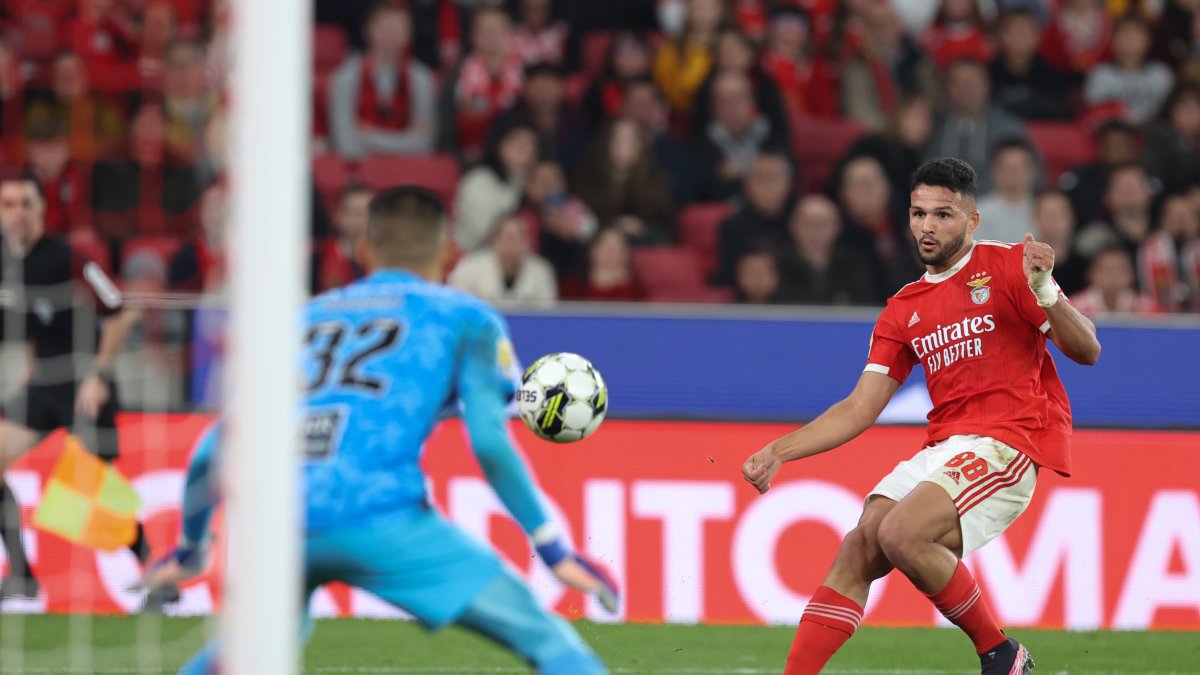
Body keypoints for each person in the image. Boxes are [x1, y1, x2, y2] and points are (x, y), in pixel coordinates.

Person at [140, 186, 617, 675]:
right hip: (380, 515)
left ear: (364, 250)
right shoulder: (466, 319)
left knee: (248, 652)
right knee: (549, 641)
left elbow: (210, 454)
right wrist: (553, 548)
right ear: (449, 252)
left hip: (280, 526)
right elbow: (490, 444)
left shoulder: (299, 320)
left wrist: (193, 550)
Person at [741, 157, 1101, 675]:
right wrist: (780, 451)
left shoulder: (1010, 266)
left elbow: (1087, 349)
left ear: (972, 221)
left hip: (1009, 441)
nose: (927, 227)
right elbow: (860, 407)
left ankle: (1001, 654)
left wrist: (1045, 290)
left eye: (943, 215)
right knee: (861, 542)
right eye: (918, 214)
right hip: (946, 447)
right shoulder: (902, 307)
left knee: (901, 533)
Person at [0, 177, 152, 601]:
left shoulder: (67, 256)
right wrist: (30, 370)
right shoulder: (7, 264)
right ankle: (22, 577)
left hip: (85, 381)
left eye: (24, 203)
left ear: (41, 211)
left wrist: (99, 374)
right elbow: (32, 322)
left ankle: (156, 570)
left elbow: (123, 311)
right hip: (44, 384)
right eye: (7, 204)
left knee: (96, 488)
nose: (16, 212)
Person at [328, 1, 437, 160]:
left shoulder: (423, 80)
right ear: (367, 29)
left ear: (410, 34)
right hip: (358, 175)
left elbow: (424, 144)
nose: (390, 35)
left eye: (398, 28)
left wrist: (369, 136)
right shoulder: (344, 78)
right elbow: (346, 145)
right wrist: (405, 141)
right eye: (384, 27)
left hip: (410, 173)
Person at [926, 59, 1027, 193]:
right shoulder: (931, 125)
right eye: (960, 84)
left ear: (987, 86)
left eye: (973, 84)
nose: (967, 90)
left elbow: (1032, 177)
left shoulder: (1009, 128)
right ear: (948, 88)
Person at [572, 117, 676, 245]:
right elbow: (581, 226)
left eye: (632, 140)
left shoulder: (657, 183)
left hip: (644, 246)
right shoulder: (587, 180)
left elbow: (668, 230)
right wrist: (615, 225)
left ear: (641, 147)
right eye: (619, 139)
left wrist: (642, 229)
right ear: (606, 143)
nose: (625, 145)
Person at [695, 71, 790, 201]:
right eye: (722, 102)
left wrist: (740, 172)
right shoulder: (704, 141)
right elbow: (711, 189)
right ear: (713, 108)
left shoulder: (771, 133)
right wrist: (759, 173)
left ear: (751, 101)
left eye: (736, 99)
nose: (730, 108)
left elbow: (787, 179)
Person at [453, 122, 540, 252]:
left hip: (519, 259)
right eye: (520, 144)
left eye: (532, 146)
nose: (527, 151)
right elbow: (483, 232)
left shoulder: (527, 182)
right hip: (474, 257)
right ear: (499, 144)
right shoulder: (477, 180)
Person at [713, 152, 794, 285]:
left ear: (788, 184)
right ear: (747, 185)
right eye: (759, 178)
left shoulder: (799, 222)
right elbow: (728, 276)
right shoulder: (732, 227)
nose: (767, 186)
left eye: (772, 177)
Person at [781, 194, 878, 306]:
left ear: (837, 227)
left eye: (822, 224)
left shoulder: (853, 263)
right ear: (793, 226)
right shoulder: (778, 263)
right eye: (808, 224)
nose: (815, 231)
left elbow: (865, 304)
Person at [448, 214, 558, 307]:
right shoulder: (468, 268)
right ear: (494, 239)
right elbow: (458, 307)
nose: (514, 243)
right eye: (509, 237)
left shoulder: (541, 272)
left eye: (520, 237)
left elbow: (547, 315)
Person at [1083, 13, 1174, 125]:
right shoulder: (1100, 75)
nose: (1129, 38)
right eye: (1124, 33)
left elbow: (1170, 115)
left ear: (1149, 40)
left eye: (1135, 33)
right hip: (1111, 134)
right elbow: (1095, 116)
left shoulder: (1161, 75)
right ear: (1113, 40)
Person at [989, 9, 1075, 121]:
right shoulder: (987, 76)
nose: (1019, 38)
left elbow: (1061, 116)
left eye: (1024, 32)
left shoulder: (1052, 77)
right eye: (1013, 32)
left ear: (1037, 37)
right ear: (1000, 37)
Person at [975, 138, 1039, 244]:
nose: (1013, 175)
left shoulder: (1043, 210)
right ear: (994, 171)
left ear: (1032, 172)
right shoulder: (979, 212)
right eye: (1008, 168)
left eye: (1019, 169)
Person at [559, 227, 645, 301]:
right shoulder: (572, 284)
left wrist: (623, 285)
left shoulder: (636, 285)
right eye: (607, 248)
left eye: (619, 249)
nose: (612, 254)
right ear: (592, 251)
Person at [1070, 246, 1159, 316]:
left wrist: (1139, 320)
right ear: (1091, 274)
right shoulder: (1074, 308)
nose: (1112, 276)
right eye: (1105, 270)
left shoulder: (1148, 309)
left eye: (1118, 270)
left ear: (1131, 275)